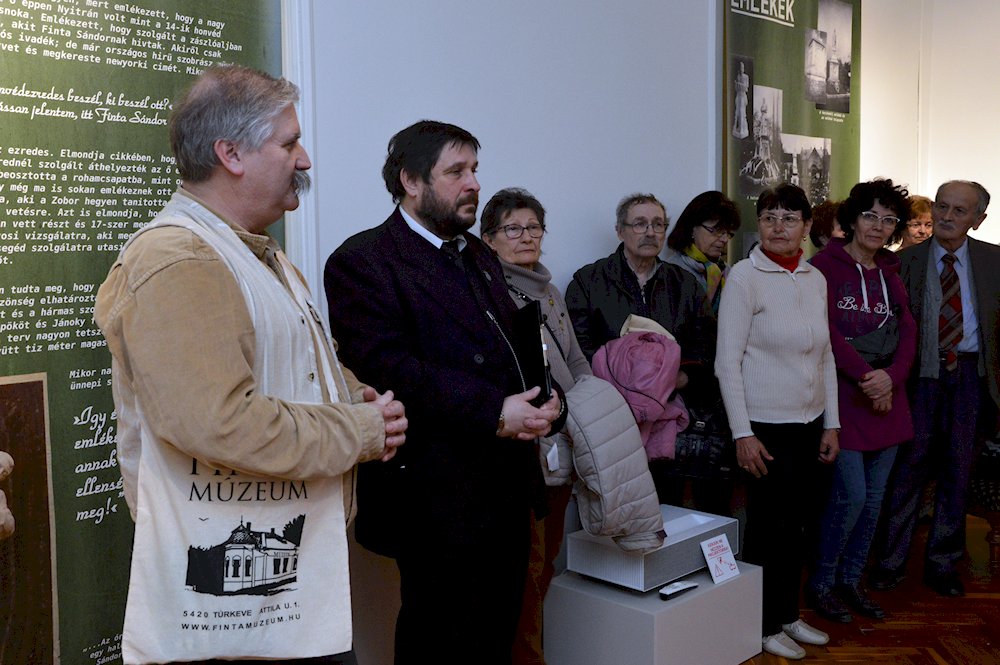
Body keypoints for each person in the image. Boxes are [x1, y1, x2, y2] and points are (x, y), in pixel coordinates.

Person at [94, 65, 407, 665]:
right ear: (231, 154)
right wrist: (358, 431)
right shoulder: (180, 258)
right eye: (289, 143)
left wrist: (352, 394)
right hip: (233, 615)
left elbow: (292, 357)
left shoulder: (256, 253)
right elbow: (218, 421)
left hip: (285, 588)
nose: (304, 159)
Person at [323, 121, 564, 665]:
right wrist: (493, 410)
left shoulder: (476, 253)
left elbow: (504, 346)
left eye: (475, 169)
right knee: (440, 641)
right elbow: (388, 370)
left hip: (505, 485)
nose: (473, 183)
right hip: (435, 499)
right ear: (411, 181)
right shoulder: (364, 260)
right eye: (456, 171)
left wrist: (543, 400)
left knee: (497, 636)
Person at [715, 183, 840, 661]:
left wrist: (832, 423)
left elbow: (825, 356)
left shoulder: (814, 277)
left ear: (807, 227)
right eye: (769, 217)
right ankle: (762, 624)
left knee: (799, 526)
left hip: (810, 423)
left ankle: (787, 614)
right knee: (768, 529)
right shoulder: (744, 277)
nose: (778, 226)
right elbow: (727, 363)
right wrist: (742, 434)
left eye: (789, 218)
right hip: (764, 428)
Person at [869, 180, 1000, 598]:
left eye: (959, 211)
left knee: (958, 473)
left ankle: (943, 564)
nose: (945, 216)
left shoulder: (994, 261)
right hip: (918, 379)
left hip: (971, 378)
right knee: (908, 471)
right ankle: (890, 563)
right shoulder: (903, 262)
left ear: (978, 219)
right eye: (942, 206)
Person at [479, 187, 591, 665]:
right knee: (529, 565)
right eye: (513, 229)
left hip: (566, 438)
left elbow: (575, 360)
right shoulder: (489, 294)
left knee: (547, 563)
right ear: (488, 239)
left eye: (533, 227)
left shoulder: (550, 289)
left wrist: (586, 407)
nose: (526, 237)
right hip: (525, 446)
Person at [806, 179, 917, 624]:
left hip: (888, 400)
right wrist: (868, 377)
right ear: (852, 219)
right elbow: (825, 331)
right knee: (849, 497)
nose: (878, 225)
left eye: (889, 219)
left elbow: (908, 331)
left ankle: (852, 580)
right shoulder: (823, 268)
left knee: (873, 502)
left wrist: (891, 378)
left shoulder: (892, 271)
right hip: (844, 400)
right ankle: (822, 582)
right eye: (870, 215)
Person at [660, 190, 741, 514]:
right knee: (672, 494)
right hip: (681, 389)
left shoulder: (726, 273)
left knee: (716, 495)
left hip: (719, 390)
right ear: (691, 228)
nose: (723, 239)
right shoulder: (669, 272)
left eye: (728, 233)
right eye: (715, 230)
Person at [565, 193, 707, 364]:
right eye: (640, 224)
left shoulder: (686, 284)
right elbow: (579, 350)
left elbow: (705, 343)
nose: (651, 233)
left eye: (658, 224)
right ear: (620, 232)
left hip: (675, 379)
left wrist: (682, 375)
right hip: (608, 380)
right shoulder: (587, 283)